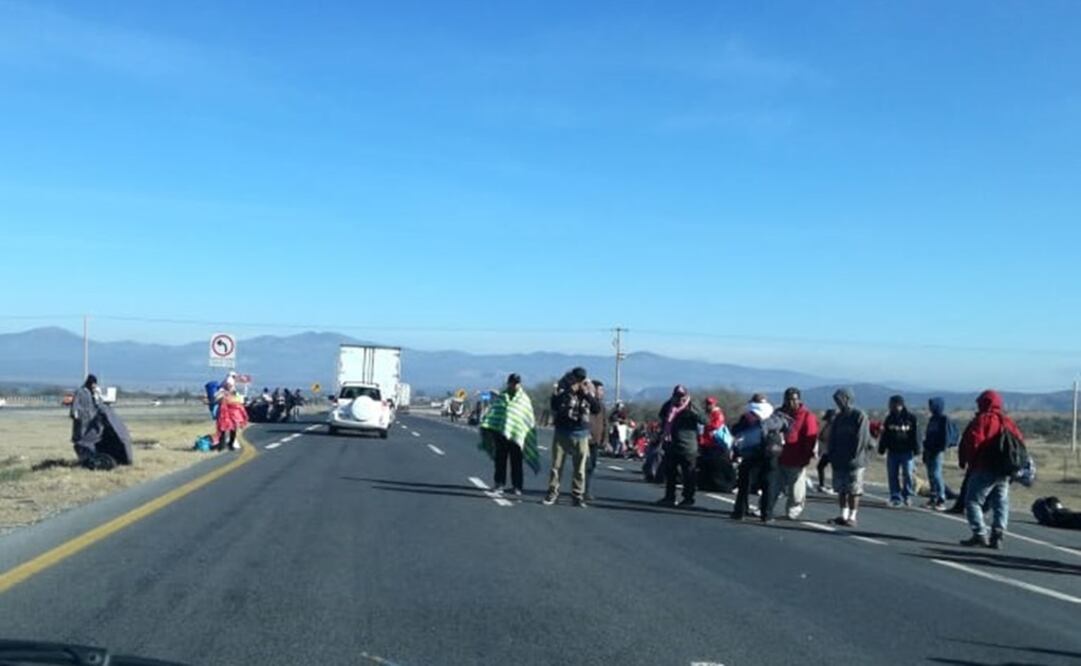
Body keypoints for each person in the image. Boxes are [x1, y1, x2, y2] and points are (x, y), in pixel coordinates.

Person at [959, 390, 1023, 550]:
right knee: (1001, 502)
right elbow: (1020, 443)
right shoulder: (1007, 422)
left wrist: (969, 462)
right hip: (1003, 470)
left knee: (972, 501)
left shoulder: (982, 420)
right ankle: (998, 532)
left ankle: (980, 533)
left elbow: (973, 442)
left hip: (983, 467)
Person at [543, 367, 601, 508]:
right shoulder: (562, 386)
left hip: (581, 432)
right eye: (577, 379)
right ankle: (552, 492)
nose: (580, 381)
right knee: (557, 465)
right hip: (562, 430)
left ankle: (577, 495)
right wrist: (570, 391)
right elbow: (554, 404)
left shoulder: (589, 387)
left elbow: (596, 408)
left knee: (580, 467)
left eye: (582, 379)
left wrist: (586, 394)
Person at [730, 394, 789, 522]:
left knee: (745, 483)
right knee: (769, 483)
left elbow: (737, 432)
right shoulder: (774, 416)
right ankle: (767, 514)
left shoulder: (748, 416)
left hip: (752, 453)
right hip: (771, 453)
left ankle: (740, 511)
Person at [480, 373, 538, 498]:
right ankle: (499, 484)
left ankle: (517, 486)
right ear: (509, 383)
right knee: (500, 460)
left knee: (516, 462)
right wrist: (489, 426)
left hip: (517, 436)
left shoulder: (524, 399)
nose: (515, 385)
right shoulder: (502, 397)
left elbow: (528, 418)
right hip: (501, 434)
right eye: (513, 382)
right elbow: (494, 414)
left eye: (517, 383)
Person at [770, 388, 819, 520]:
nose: (791, 402)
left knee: (796, 489)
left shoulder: (807, 416)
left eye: (794, 399)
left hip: (796, 457)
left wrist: (806, 456)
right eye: (788, 399)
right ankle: (766, 507)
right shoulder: (779, 413)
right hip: (778, 456)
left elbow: (810, 437)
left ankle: (793, 510)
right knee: (772, 485)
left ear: (799, 400)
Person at [828, 388, 874, 527]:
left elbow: (862, 439)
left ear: (847, 399)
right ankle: (843, 514)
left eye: (840, 399)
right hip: (839, 459)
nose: (838, 403)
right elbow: (832, 438)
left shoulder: (859, 416)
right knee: (841, 489)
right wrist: (832, 455)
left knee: (854, 490)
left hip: (855, 461)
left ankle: (853, 516)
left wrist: (855, 457)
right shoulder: (838, 418)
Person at [656, 385, 707, 508]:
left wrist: (693, 412)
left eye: (682, 397)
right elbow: (662, 417)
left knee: (688, 474)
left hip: (688, 446)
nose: (680, 400)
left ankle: (688, 499)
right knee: (670, 472)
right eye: (677, 397)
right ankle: (669, 497)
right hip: (671, 444)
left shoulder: (692, 406)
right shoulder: (668, 406)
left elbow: (705, 420)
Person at [878, 395, 920, 507]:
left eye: (891, 404)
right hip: (892, 451)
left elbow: (916, 435)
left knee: (908, 474)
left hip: (906, 452)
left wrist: (917, 449)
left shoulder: (911, 418)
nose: (889, 406)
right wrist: (882, 448)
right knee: (893, 474)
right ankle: (896, 497)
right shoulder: (889, 419)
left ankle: (907, 494)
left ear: (898, 404)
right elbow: (885, 435)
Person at [923, 397, 959, 511]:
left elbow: (945, 436)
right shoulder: (932, 419)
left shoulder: (943, 419)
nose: (930, 408)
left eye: (932, 405)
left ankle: (941, 498)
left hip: (937, 451)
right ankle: (933, 497)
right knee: (931, 475)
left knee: (936, 474)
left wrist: (940, 448)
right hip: (929, 450)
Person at [70, 374, 104, 462]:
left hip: (91, 420)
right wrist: (75, 415)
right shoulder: (80, 391)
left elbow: (99, 406)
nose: (94, 386)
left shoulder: (93, 393)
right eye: (93, 384)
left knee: (91, 438)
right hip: (82, 419)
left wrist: (98, 396)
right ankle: (83, 457)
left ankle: (90, 456)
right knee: (80, 439)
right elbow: (75, 405)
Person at [585, 380, 608, 501]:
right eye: (600, 390)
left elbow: (605, 423)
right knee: (585, 465)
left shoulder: (602, 406)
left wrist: (605, 440)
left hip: (596, 441)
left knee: (592, 465)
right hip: (586, 439)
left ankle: (586, 490)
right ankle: (582, 490)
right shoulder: (587, 403)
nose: (602, 393)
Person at [214, 376, 249, 451]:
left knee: (233, 428)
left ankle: (231, 443)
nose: (229, 386)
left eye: (230, 385)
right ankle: (221, 445)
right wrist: (223, 396)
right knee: (222, 428)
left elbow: (239, 400)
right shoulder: (222, 390)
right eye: (228, 384)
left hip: (233, 413)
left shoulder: (235, 391)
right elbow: (216, 398)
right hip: (223, 413)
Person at [816, 409, 836, 494]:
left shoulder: (834, 426)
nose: (827, 420)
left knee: (835, 469)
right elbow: (822, 436)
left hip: (834, 451)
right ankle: (822, 485)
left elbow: (824, 436)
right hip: (828, 451)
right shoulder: (829, 425)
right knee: (821, 466)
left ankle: (834, 486)